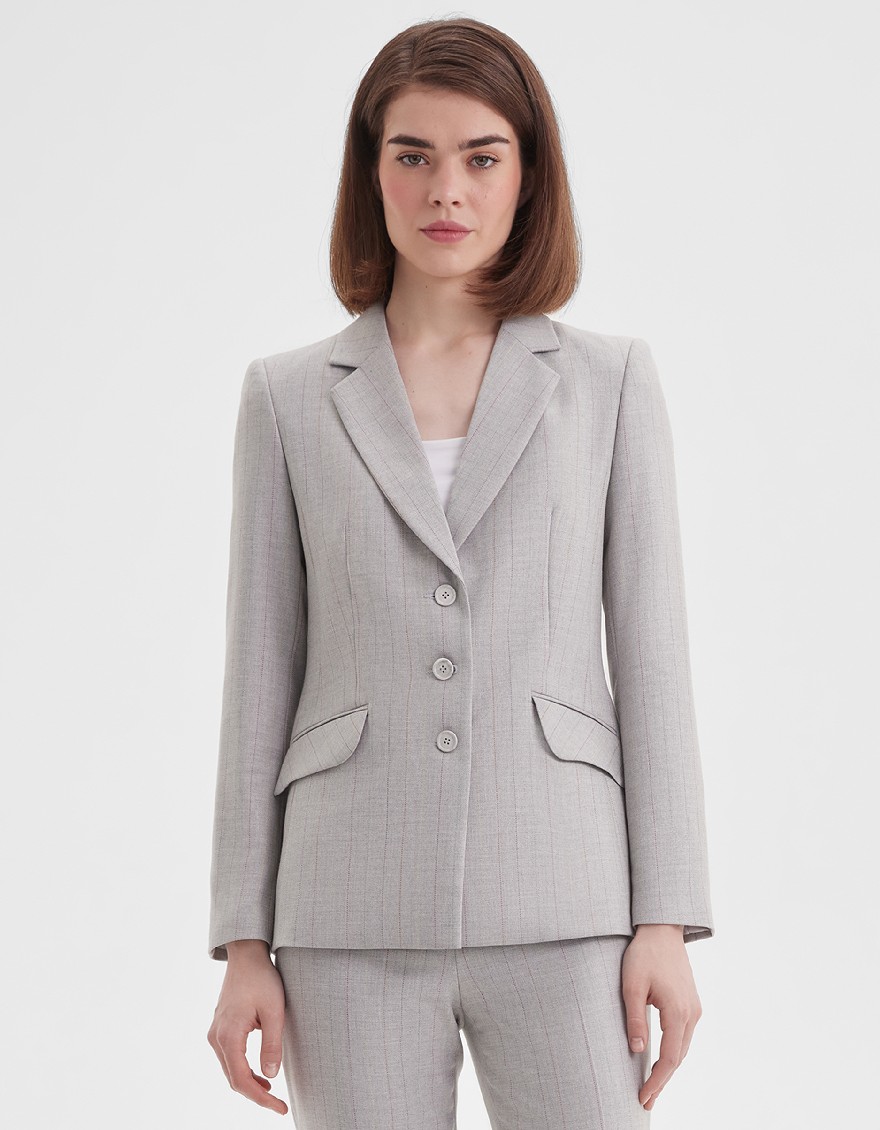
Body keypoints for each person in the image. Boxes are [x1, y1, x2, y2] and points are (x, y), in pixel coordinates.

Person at [206, 16, 715, 1128]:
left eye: (483, 157)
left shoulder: (610, 383)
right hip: (346, 908)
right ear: (370, 172)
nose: (447, 189)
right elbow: (259, 674)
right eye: (414, 154)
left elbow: (652, 656)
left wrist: (666, 918)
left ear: (528, 177)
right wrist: (244, 941)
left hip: (566, 895)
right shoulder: (286, 398)